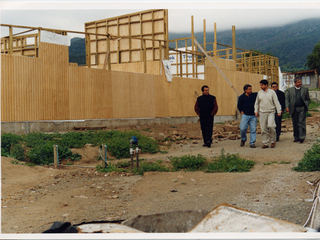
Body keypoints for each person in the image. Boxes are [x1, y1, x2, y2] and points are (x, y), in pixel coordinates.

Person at [254, 79, 282, 148]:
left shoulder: (272, 92)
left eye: (262, 85)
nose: (261, 86)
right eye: (260, 85)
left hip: (271, 112)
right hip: (262, 113)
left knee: (271, 126)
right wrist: (256, 111)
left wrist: (279, 111)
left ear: (266, 85)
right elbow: (256, 103)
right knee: (263, 128)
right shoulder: (259, 93)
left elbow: (276, 102)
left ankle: (273, 141)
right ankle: (265, 143)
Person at [285, 76, 310, 143]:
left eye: (300, 82)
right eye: (298, 82)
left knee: (301, 122)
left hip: (302, 108)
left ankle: (302, 137)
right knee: (295, 123)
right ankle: (296, 137)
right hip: (294, 108)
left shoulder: (305, 89)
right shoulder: (290, 90)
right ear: (295, 83)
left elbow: (308, 99)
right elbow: (287, 99)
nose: (300, 83)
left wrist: (306, 105)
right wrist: (287, 106)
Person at [237, 84, 258, 148]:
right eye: (249, 89)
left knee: (253, 129)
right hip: (245, 115)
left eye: (251, 89)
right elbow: (239, 105)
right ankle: (243, 139)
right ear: (245, 90)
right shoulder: (241, 97)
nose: (251, 90)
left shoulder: (254, 95)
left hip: (253, 116)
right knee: (242, 128)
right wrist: (242, 112)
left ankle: (252, 142)